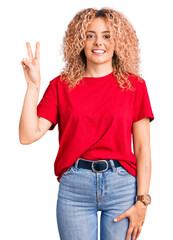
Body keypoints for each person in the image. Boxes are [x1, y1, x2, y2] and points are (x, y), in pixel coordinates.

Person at [19, 7, 154, 240]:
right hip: (75, 189)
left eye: (107, 35)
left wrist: (142, 201)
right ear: (79, 41)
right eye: (90, 35)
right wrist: (33, 86)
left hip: (122, 186)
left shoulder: (135, 86)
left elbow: (142, 149)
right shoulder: (61, 86)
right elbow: (27, 135)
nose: (98, 42)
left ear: (118, 41)